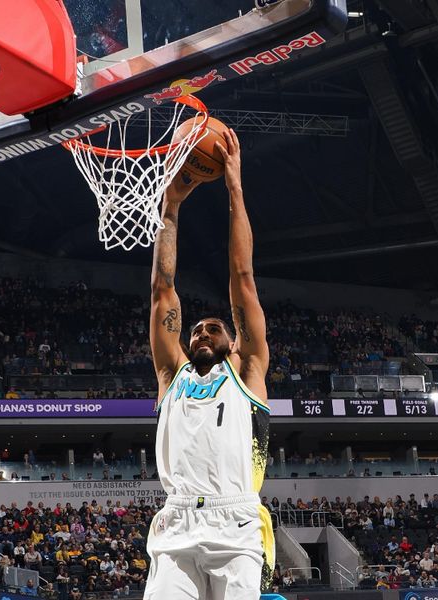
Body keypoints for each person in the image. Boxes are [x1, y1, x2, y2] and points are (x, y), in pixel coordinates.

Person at [145, 128, 273, 599]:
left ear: (233, 341)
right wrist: (170, 208)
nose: (200, 331)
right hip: (175, 519)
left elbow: (243, 276)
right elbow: (163, 289)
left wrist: (234, 188)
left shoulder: (247, 372)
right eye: (196, 328)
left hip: (235, 521)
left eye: (212, 328)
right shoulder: (170, 375)